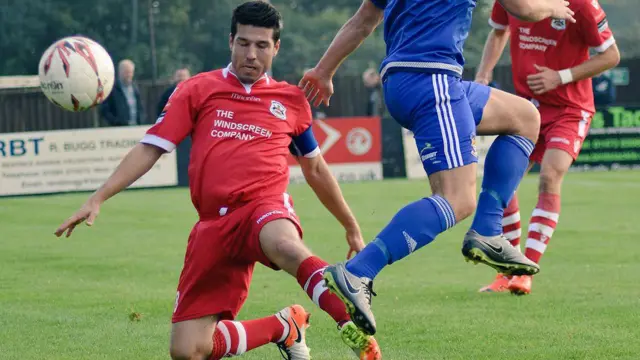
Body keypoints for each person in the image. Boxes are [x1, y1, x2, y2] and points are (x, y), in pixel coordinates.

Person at [54, 2, 381, 360]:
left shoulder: (291, 100)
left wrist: (350, 225)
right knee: (188, 349)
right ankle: (283, 326)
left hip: (263, 209)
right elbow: (150, 148)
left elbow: (315, 169)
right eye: (243, 43)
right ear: (230, 41)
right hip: (212, 227)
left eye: (261, 45)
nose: (251, 54)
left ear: (276, 47)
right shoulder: (197, 89)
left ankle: (349, 322)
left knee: (284, 244)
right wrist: (98, 197)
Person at [299, 0, 575, 336]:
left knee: (525, 118)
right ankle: (358, 271)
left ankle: (488, 231)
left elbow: (363, 20)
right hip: (431, 78)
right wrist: (553, 8)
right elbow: (523, 9)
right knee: (457, 199)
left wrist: (323, 70)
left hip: (410, 80)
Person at [474, 0, 620, 295]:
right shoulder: (511, 1)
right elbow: (498, 31)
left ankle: (526, 270)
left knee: (549, 176)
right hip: (527, 108)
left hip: (570, 109)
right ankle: (509, 268)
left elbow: (611, 56)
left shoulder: (582, 5)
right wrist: (483, 75)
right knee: (504, 180)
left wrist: (561, 76)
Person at [100, 59, 145, 126]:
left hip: (136, 127)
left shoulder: (135, 88)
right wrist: (116, 122)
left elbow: (140, 108)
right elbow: (104, 110)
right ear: (120, 72)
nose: (129, 75)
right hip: (118, 130)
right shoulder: (111, 89)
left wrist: (141, 119)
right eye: (126, 72)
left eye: (131, 72)